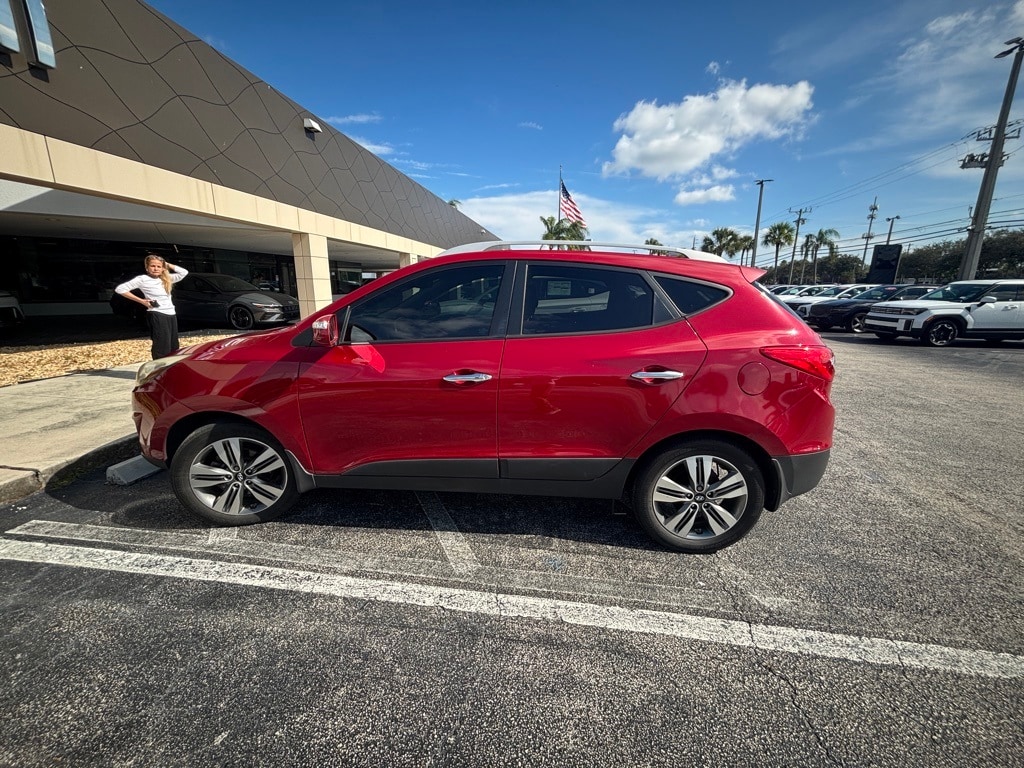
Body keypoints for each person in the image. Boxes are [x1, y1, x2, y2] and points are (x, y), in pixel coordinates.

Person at [115, 254, 188, 359]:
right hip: (157, 314)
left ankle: (170, 370)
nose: (155, 268)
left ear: (163, 268)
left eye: (158, 266)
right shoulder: (142, 279)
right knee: (162, 346)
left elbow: (184, 272)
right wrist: (141, 301)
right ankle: (158, 371)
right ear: (147, 268)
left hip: (171, 314)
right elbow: (120, 289)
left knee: (173, 346)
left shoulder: (166, 279)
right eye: (152, 266)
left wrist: (167, 264)